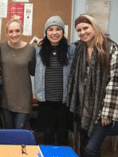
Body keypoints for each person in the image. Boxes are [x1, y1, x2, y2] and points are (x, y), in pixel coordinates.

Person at [67, 14, 118, 157]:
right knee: (84, 147)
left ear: (94, 26)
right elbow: (60, 46)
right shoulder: (79, 48)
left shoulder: (111, 48)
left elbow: (114, 83)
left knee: (91, 149)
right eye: (79, 30)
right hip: (83, 109)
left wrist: (107, 112)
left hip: (103, 110)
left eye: (86, 28)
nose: (82, 32)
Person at [34, 15, 76, 145]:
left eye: (58, 29)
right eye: (50, 29)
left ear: (63, 32)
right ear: (46, 32)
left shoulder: (71, 50)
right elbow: (32, 69)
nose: (54, 33)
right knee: (47, 136)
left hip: (64, 101)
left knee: (63, 136)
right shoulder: (38, 50)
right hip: (45, 101)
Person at [0, 19, 35, 129]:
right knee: (8, 135)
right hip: (5, 99)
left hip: (23, 100)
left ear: (22, 31)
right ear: (6, 33)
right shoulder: (0, 48)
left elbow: (33, 72)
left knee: (19, 134)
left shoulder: (31, 49)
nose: (14, 34)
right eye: (11, 31)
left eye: (17, 31)